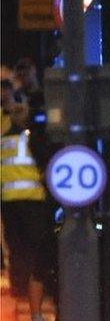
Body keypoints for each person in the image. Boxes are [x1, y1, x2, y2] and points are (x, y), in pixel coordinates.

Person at [1, 82, 51, 298]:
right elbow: (45, 163)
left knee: (17, 247)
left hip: (10, 200)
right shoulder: (31, 135)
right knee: (34, 247)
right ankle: (32, 289)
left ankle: (20, 289)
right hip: (31, 200)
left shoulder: (5, 138)